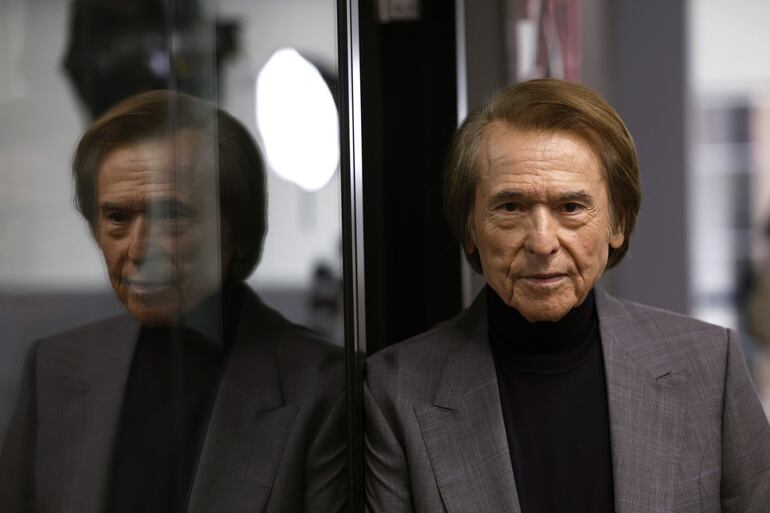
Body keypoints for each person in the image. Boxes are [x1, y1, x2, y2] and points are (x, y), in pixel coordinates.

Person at [364, 78, 770, 513]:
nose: (542, 243)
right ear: (469, 228)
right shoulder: (396, 390)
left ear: (618, 223)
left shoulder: (709, 366)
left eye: (571, 207)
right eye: (511, 207)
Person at [0, 90, 346, 513]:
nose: (139, 249)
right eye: (117, 218)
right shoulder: (55, 367)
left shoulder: (322, 386)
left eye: (173, 216)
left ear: (237, 231)